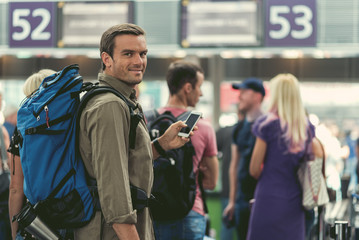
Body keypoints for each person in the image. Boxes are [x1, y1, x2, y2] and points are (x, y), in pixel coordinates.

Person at [74, 24, 194, 240]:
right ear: (107, 59)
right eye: (128, 54)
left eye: (143, 53)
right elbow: (114, 189)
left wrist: (161, 145)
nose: (139, 61)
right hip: (113, 233)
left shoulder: (122, 101)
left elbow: (124, 161)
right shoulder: (109, 106)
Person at [152, 60, 219, 240]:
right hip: (190, 211)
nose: (201, 93)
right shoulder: (203, 126)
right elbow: (212, 182)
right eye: (200, 86)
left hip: (153, 211)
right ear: (188, 88)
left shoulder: (146, 120)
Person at [247, 73, 315, 239]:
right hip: (295, 199)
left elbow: (254, 170)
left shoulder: (266, 125)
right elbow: (312, 160)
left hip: (268, 196)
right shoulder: (306, 128)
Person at [8, 69, 56, 240]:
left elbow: (15, 188)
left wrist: (14, 234)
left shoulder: (22, 129)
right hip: (73, 213)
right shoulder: (71, 125)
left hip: (35, 222)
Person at [223, 77, 265, 240]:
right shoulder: (239, 128)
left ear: (257, 96)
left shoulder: (267, 125)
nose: (239, 96)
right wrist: (232, 201)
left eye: (244, 92)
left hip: (262, 198)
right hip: (241, 200)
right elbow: (234, 166)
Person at [216, 106, 244, 240]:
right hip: (247, 193)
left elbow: (209, 151)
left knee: (227, 232)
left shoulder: (226, 132)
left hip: (229, 191)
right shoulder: (257, 133)